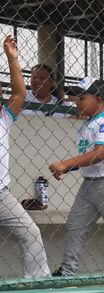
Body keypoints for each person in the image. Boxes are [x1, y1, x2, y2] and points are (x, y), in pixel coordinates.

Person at [49, 77, 104, 276]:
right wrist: (67, 168)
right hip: (89, 183)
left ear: (99, 100)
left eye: (82, 97)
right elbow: (88, 157)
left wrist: (66, 164)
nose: (77, 101)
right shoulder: (87, 124)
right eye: (76, 97)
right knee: (75, 224)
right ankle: (68, 271)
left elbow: (100, 154)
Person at [0, 36, 50, 279]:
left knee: (31, 233)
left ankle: (38, 283)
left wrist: (13, 59)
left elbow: (20, 93)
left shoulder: (3, 119)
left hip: (1, 196)